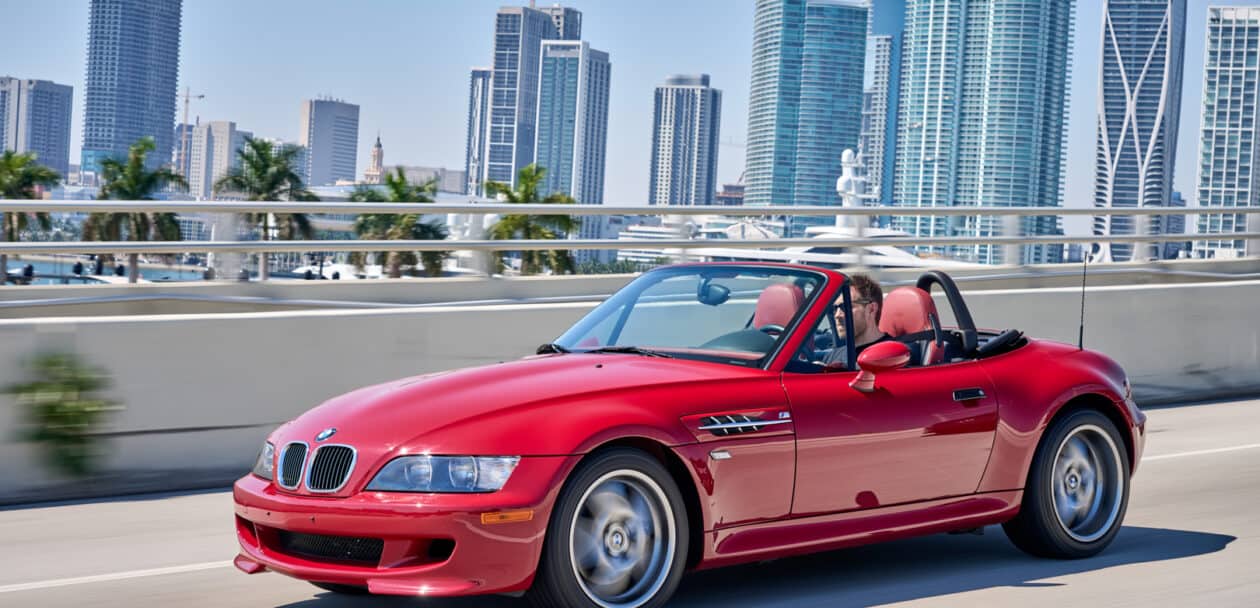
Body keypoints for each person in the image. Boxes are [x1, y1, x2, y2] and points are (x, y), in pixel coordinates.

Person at [826, 273, 891, 366]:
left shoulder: (893, 355)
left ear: (871, 309)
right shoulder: (832, 356)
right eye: (835, 309)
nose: (837, 315)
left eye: (846, 307)